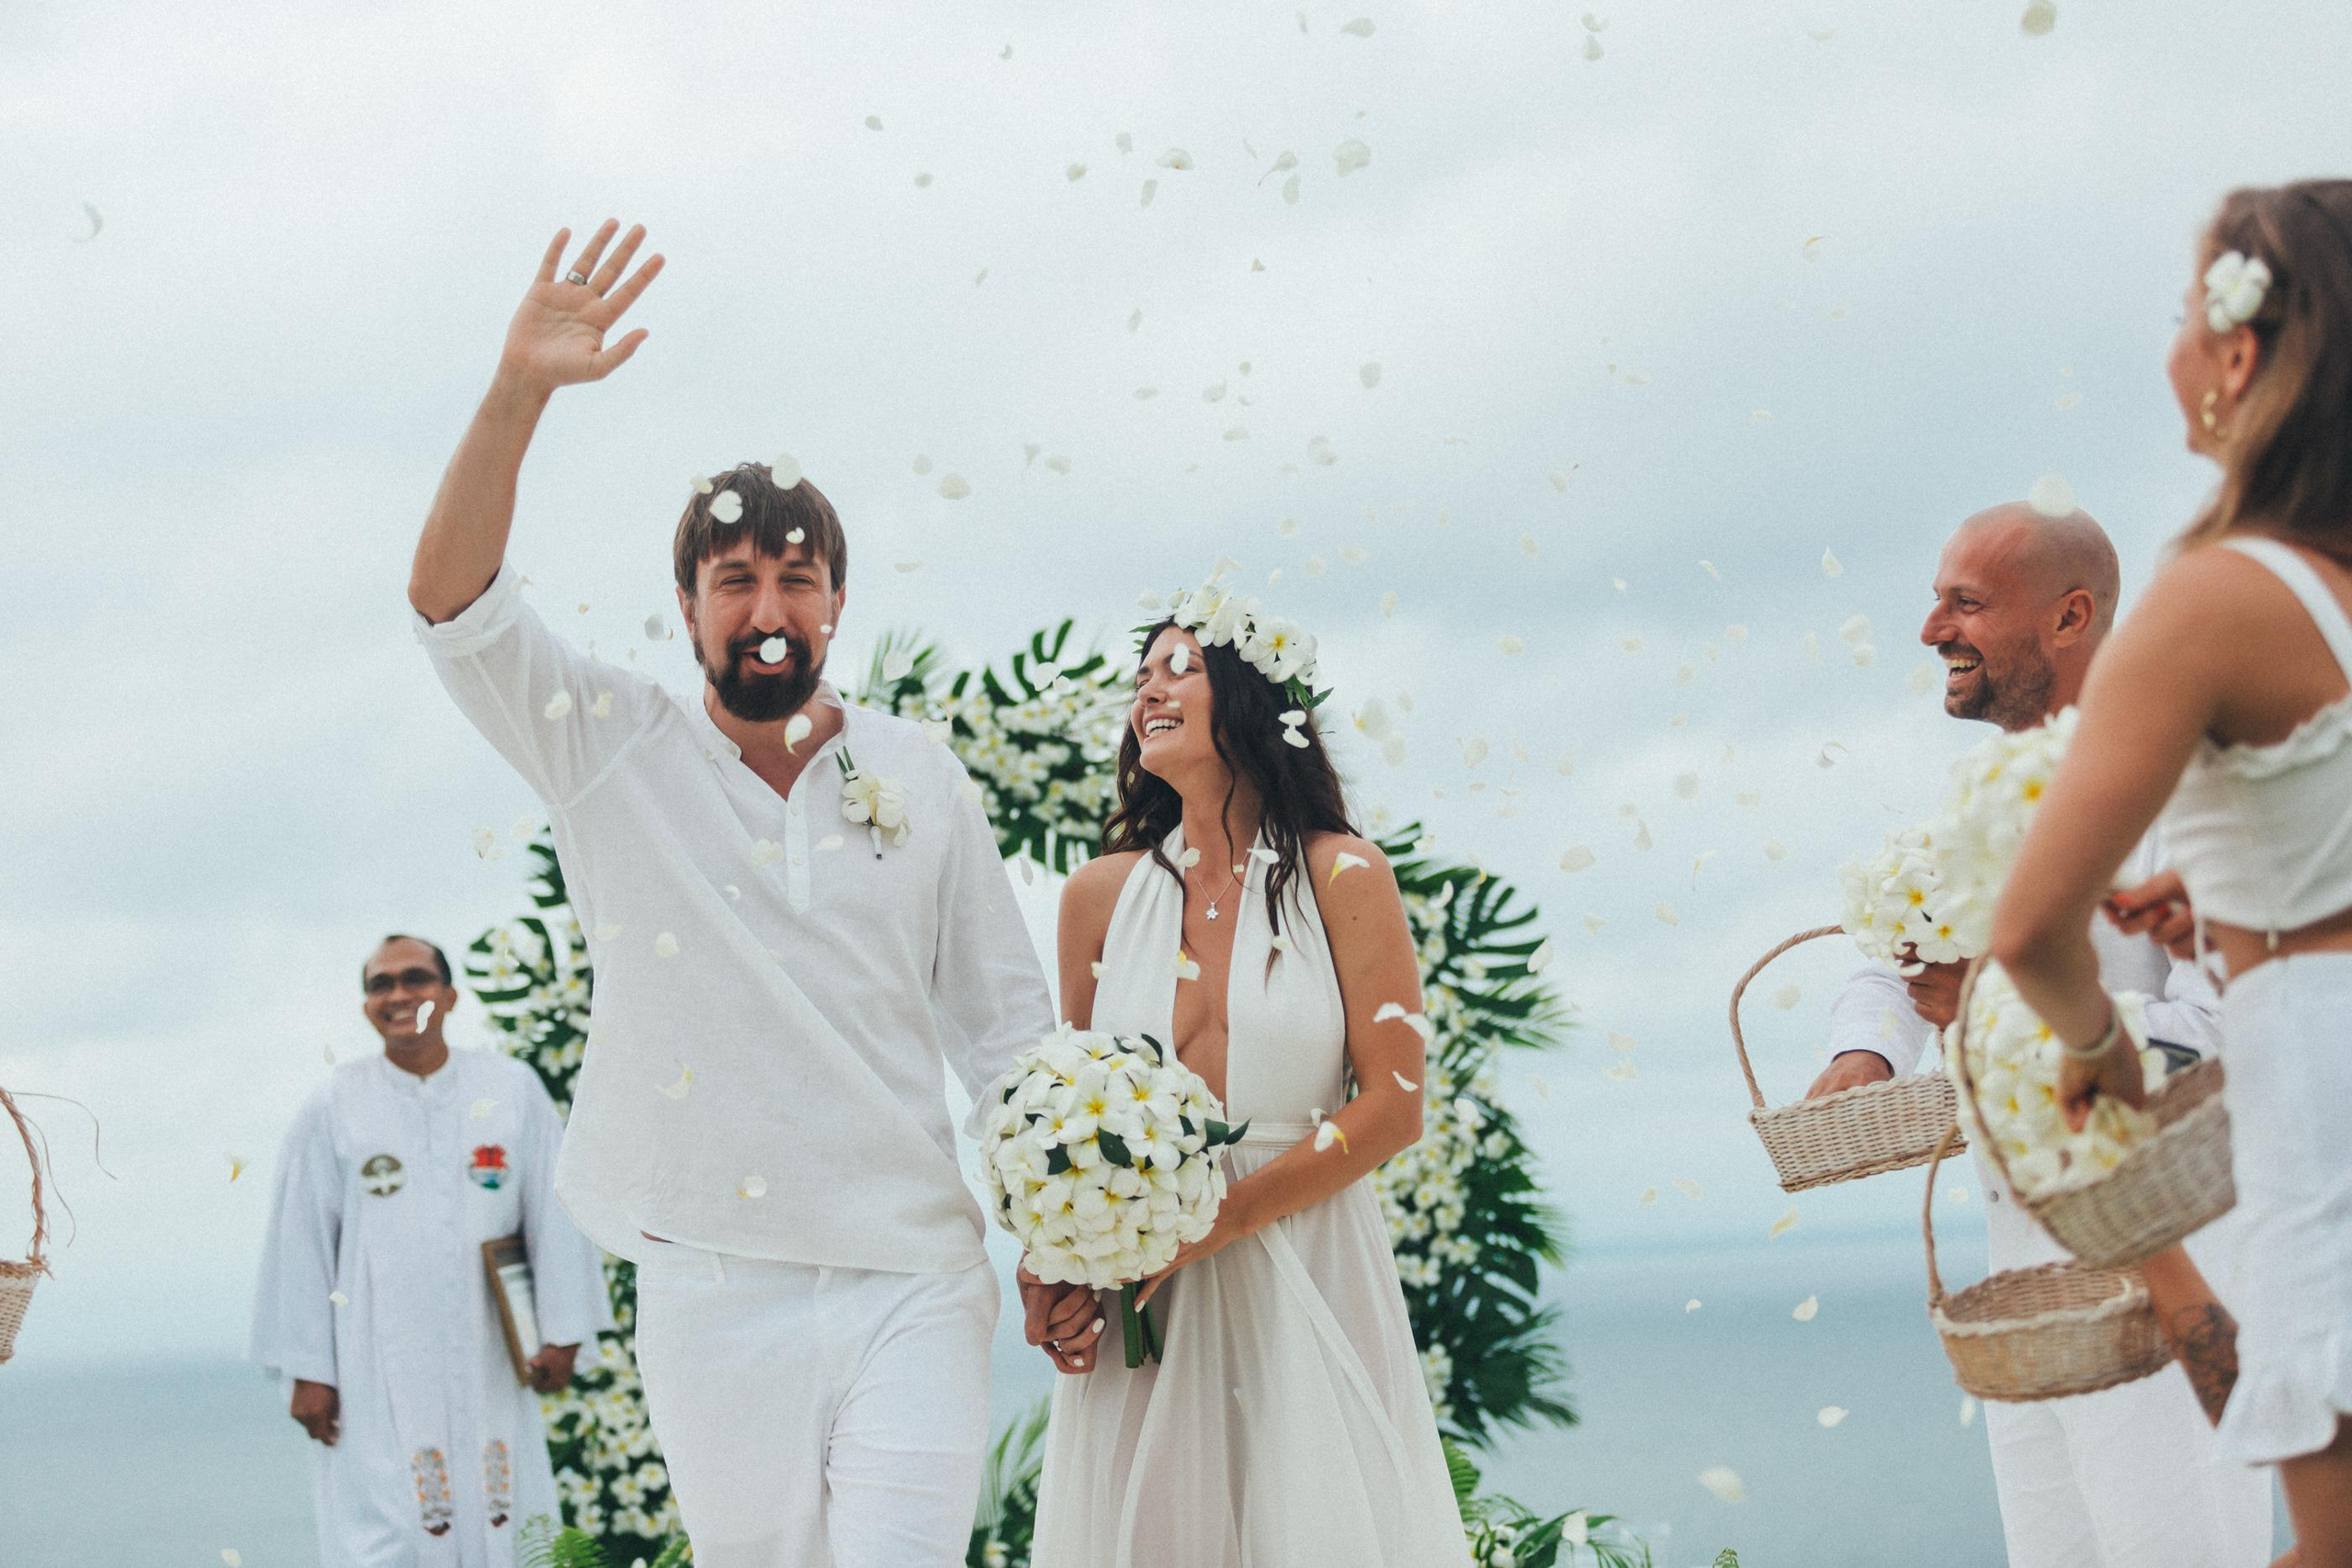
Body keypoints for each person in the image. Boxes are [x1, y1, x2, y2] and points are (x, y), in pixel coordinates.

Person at [406, 220, 1057, 1568]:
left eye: (796, 579)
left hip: (915, 1276)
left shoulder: (918, 772)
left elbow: (1005, 1030)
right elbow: (451, 602)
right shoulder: (607, 743)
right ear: (688, 608)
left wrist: (1059, 1228)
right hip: (709, 1280)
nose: (768, 603)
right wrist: (519, 390)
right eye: (735, 578)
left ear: (837, 605)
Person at [1995, 178, 2352, 1568]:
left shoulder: (2214, 594)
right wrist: (2226, 899)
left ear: (2244, 354)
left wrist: (2097, 1047)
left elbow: (2030, 924)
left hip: (2318, 1074)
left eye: (2180, 317)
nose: (2171, 355)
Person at [1805, 505, 2272, 1567]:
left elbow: (2229, 1032)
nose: (1931, 629)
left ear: (2070, 617)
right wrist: (1867, 1050)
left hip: (2173, 1275)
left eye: (1965, 602)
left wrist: (1998, 1006)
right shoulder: (1971, 792)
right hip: (2022, 1292)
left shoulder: (2185, 783)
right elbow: (1897, 953)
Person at [1016, 580, 1472, 1566]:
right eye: (1140, 676)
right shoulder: (1096, 897)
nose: (1148, 691)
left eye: (1179, 666)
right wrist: (1052, 1259)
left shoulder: (1345, 875)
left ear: (1251, 696)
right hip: (1147, 1291)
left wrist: (1222, 1220)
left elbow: (1395, 1107)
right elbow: (1070, 1115)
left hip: (1304, 1261)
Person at [250, 934, 611, 1567]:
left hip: (490, 1345)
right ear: (366, 1005)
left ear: (449, 993)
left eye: (415, 978)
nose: (398, 994)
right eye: (380, 984)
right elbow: (300, 1238)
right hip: (374, 1355)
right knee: (391, 1524)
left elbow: (554, 1211)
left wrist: (563, 1328)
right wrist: (309, 1369)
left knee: (502, 1508)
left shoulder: (509, 1087)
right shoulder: (335, 1103)